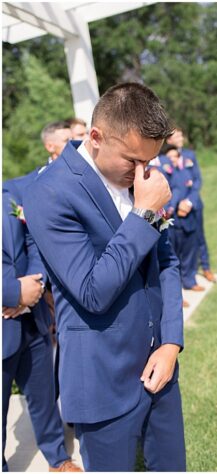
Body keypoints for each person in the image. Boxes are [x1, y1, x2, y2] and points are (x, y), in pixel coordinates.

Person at [23, 83, 185, 470]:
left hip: (159, 366)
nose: (142, 171)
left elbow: (167, 263)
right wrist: (144, 214)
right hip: (102, 379)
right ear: (95, 137)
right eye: (133, 160)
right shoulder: (49, 193)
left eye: (150, 160)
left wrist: (171, 343)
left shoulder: (138, 178)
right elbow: (94, 291)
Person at [2, 179, 82, 472]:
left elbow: (32, 239)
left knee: (44, 395)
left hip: (32, 318)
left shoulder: (9, 193)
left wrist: (33, 285)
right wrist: (12, 293)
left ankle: (58, 457)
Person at [158, 145, 204, 293]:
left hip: (188, 216)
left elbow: (195, 189)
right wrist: (172, 207)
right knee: (173, 255)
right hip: (172, 221)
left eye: (175, 157)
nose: (172, 160)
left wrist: (188, 203)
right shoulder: (163, 174)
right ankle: (176, 290)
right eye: (169, 157)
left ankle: (190, 281)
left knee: (190, 251)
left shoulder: (185, 172)